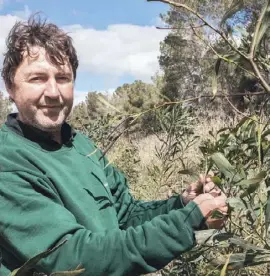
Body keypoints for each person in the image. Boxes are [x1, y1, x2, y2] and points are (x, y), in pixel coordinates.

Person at [0, 16, 228, 276]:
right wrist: (188, 222)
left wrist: (183, 205)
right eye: (37, 78)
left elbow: (126, 215)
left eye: (62, 78)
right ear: (10, 86)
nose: (53, 92)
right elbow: (74, 260)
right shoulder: (7, 161)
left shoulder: (81, 145)